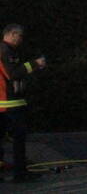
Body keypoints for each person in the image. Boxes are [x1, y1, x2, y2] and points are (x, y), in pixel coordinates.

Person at [0, 24, 46, 184]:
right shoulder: (6, 51)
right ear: (12, 34)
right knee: (18, 139)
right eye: (20, 36)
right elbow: (13, 73)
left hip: (4, 102)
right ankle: (20, 173)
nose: (21, 39)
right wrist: (35, 64)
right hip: (9, 103)